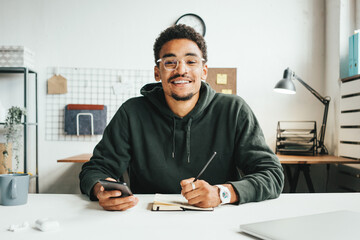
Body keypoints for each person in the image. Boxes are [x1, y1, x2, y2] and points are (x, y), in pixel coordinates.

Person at [79, 24, 284, 211]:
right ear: (157, 72)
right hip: (147, 222)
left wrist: (222, 194)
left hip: (220, 222)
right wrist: (101, 189)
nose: (181, 70)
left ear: (203, 70)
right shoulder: (131, 112)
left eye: (191, 61)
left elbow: (272, 175)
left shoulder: (234, 110)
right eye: (170, 62)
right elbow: (95, 169)